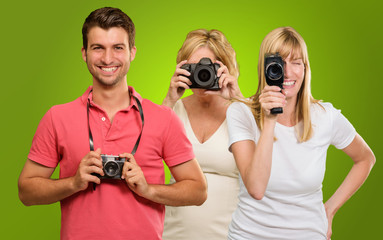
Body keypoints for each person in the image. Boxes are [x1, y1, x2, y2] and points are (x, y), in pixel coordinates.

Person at [18, 7, 207, 240]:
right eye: (98, 48)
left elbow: (198, 190)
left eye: (118, 48)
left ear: (132, 52)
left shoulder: (163, 118)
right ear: (84, 53)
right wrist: (74, 183)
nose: (108, 59)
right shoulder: (57, 117)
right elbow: (26, 192)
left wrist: (148, 190)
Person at [226, 26, 375, 240]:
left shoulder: (326, 116)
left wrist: (330, 209)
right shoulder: (240, 112)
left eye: (296, 63)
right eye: (278, 63)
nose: (287, 72)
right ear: (264, 67)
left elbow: (365, 159)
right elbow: (256, 188)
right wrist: (269, 121)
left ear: (305, 69)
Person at [162, 29, 242, 239]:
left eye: (209, 67)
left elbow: (269, 161)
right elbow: (142, 156)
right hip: (172, 233)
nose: (202, 74)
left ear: (225, 68)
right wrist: (169, 100)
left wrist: (238, 98)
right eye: (195, 68)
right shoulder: (173, 111)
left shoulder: (242, 112)